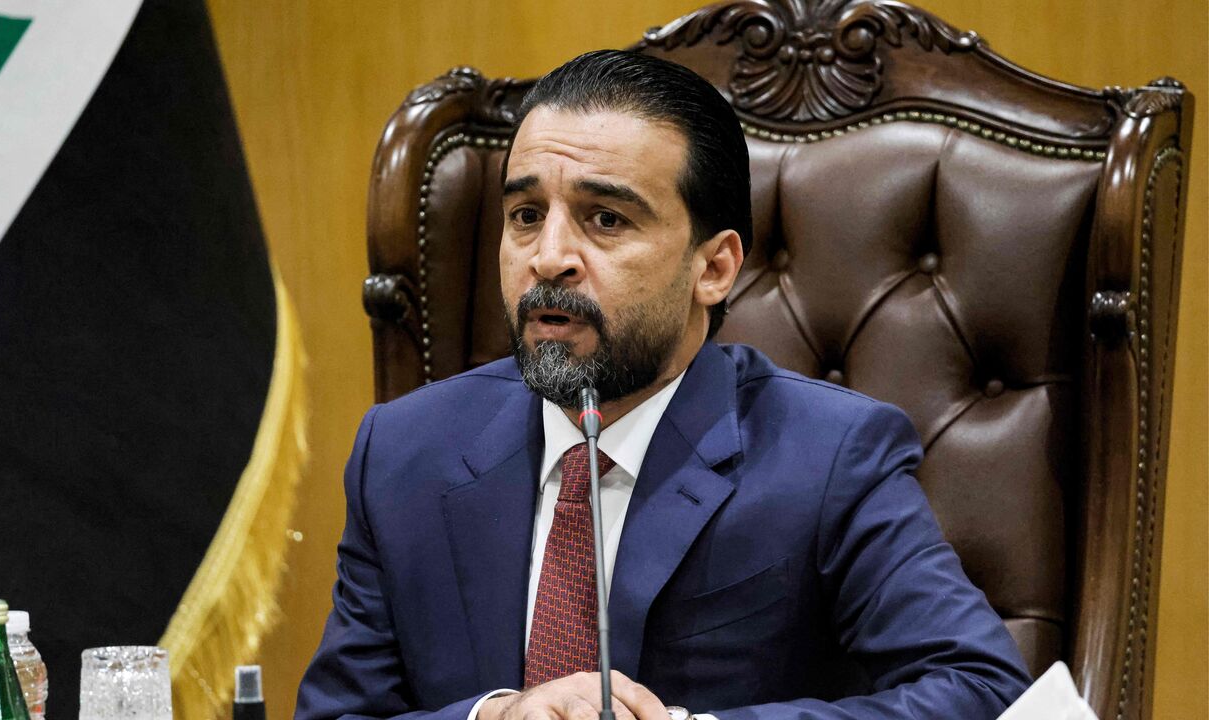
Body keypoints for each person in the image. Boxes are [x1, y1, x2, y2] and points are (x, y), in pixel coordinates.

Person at [296, 50, 1031, 720]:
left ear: (713, 268)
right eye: (525, 216)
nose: (548, 257)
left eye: (605, 218)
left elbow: (984, 690)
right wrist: (488, 718)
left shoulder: (831, 457)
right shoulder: (402, 453)